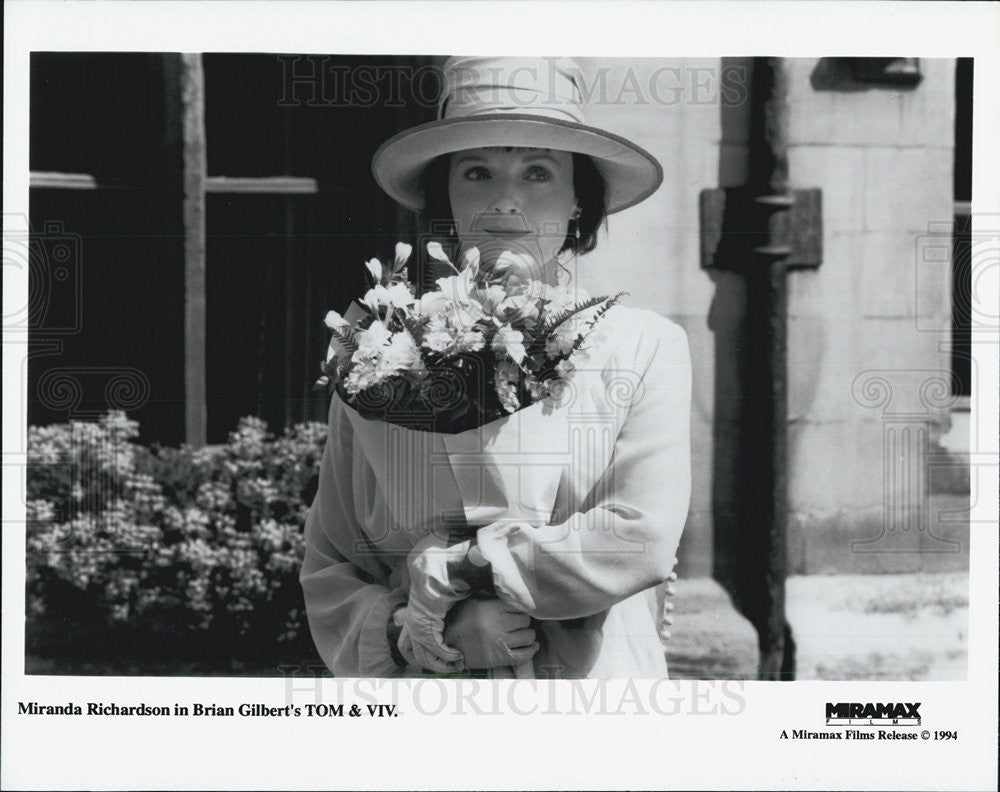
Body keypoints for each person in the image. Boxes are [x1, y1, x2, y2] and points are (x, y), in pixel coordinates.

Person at [300, 56, 691, 678]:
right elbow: (330, 563)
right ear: (445, 196)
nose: (506, 201)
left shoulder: (639, 347)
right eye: (476, 172)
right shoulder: (378, 354)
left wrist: (469, 571)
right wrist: (416, 627)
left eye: (539, 173)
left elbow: (638, 538)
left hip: (588, 699)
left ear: (579, 203)